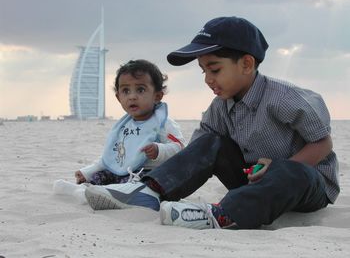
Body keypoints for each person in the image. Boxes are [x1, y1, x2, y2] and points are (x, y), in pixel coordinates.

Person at [84, 16, 339, 230]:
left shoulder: (285, 98)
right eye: (203, 70)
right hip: (252, 182)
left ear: (247, 64)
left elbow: (323, 142)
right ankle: (148, 193)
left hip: (306, 185)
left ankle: (223, 215)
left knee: (293, 172)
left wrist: (279, 168)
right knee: (210, 141)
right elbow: (196, 154)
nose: (207, 79)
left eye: (214, 69)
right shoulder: (219, 108)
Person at [54, 59, 185, 204]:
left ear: (157, 96)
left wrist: (159, 150)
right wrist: (88, 171)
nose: (132, 96)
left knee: (134, 184)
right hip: (122, 172)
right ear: (118, 97)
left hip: (148, 175)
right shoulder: (124, 126)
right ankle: (83, 190)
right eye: (125, 91)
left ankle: (96, 193)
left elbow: (179, 149)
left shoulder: (163, 123)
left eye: (140, 90)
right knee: (102, 175)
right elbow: (111, 156)